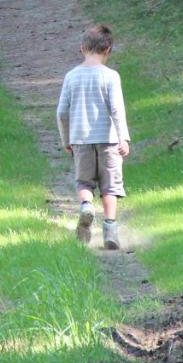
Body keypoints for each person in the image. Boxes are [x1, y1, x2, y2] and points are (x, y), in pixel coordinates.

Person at [56, 24, 131, 249]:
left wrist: (66, 138)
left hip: (80, 140)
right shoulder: (111, 76)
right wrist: (123, 138)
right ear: (107, 49)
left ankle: (87, 206)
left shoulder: (71, 76)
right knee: (110, 187)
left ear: (82, 49)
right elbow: (117, 109)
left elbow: (61, 112)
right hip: (108, 141)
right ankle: (110, 230)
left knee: (83, 182)